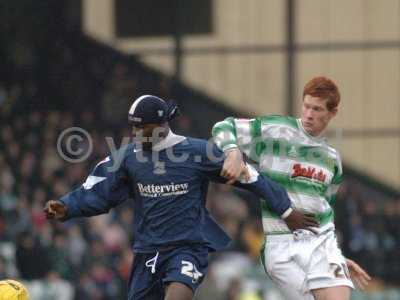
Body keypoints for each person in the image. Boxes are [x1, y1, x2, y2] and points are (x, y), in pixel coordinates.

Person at [44, 95, 318, 300]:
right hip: (147, 252)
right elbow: (99, 190)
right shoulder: (128, 157)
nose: (137, 134)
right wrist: (67, 206)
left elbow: (251, 176)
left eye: (144, 128)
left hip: (187, 248)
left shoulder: (197, 152)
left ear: (162, 124)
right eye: (134, 128)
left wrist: (286, 211)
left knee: (178, 295)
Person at [211, 77, 371, 300]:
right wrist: (233, 151)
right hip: (282, 243)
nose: (308, 114)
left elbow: (325, 213)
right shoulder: (277, 130)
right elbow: (223, 127)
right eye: (306, 106)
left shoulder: (332, 159)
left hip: (322, 244)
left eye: (317, 109)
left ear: (332, 112)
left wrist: (337, 256)